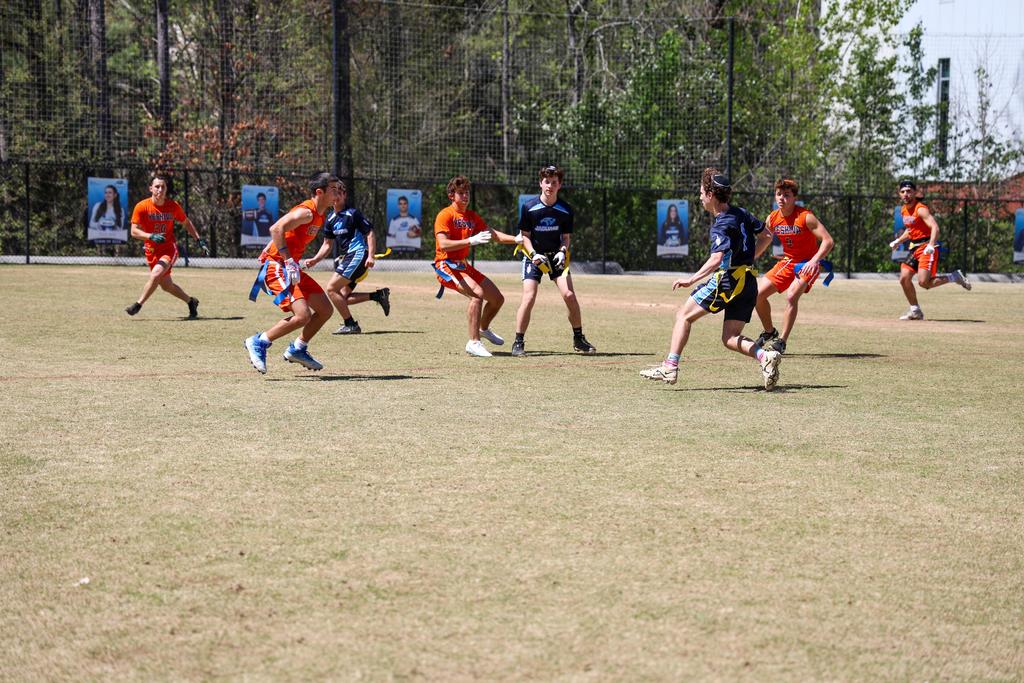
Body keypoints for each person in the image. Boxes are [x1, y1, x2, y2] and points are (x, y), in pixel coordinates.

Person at [640, 168, 783, 390]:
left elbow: (716, 259)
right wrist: (749, 258)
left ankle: (670, 366)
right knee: (730, 337)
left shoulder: (721, 224)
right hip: (748, 281)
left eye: (701, 192)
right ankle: (765, 356)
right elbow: (766, 235)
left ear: (710, 195)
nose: (699, 197)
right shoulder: (741, 213)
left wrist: (691, 279)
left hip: (729, 281)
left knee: (683, 316)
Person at [243, 172, 342, 374]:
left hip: (290, 266)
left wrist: (282, 256)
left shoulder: (320, 215)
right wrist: (287, 260)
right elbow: (276, 229)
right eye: (334, 189)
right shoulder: (307, 212)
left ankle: (298, 349)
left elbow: (284, 231)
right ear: (319, 192)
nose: (338, 193)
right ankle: (259, 342)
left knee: (325, 309)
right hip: (278, 266)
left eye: (339, 189)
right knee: (303, 315)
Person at [511, 165, 597, 357]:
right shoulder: (529, 207)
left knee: (569, 295)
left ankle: (579, 339)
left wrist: (562, 251)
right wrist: (534, 254)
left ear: (560, 185)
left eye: (554, 182)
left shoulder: (565, 210)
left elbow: (566, 238)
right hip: (533, 256)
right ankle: (518, 342)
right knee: (529, 296)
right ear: (540, 183)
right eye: (547, 181)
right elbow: (524, 236)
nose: (550, 185)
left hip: (556, 256)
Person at [434, 175, 520, 357]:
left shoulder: (472, 216)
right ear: (451, 195)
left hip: (463, 265)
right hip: (446, 265)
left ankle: (483, 328)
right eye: (461, 193)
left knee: (497, 299)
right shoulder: (445, 215)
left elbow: (492, 234)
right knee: (477, 294)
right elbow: (443, 244)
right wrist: (470, 241)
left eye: (467, 192)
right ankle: (473, 342)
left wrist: (516, 239)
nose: (465, 196)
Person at [752, 178, 834, 354]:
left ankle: (781, 341)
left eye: (786, 195)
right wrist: (750, 257)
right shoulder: (773, 218)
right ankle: (769, 331)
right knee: (757, 295)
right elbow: (764, 240)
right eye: (779, 194)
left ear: (795, 198)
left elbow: (828, 241)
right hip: (788, 261)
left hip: (809, 262)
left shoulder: (805, 217)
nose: (781, 198)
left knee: (791, 296)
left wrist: (813, 261)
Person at [303, 181, 391, 335]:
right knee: (341, 297)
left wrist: (371, 256)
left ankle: (350, 324)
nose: (336, 196)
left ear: (344, 195)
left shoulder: (352, 213)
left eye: (339, 192)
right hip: (348, 258)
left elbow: (370, 233)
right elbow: (327, 244)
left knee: (331, 289)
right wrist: (315, 259)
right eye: (333, 192)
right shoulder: (330, 219)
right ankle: (378, 295)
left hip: (357, 254)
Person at [125, 174, 209, 318]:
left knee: (156, 274)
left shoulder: (173, 206)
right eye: (157, 186)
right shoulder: (142, 207)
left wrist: (199, 240)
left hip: (169, 249)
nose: (160, 189)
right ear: (151, 188)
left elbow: (186, 223)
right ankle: (191, 301)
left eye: (163, 187)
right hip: (151, 251)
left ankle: (138, 305)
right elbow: (134, 231)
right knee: (166, 286)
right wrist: (150, 236)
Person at [890, 180, 971, 320]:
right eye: (903, 192)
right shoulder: (903, 210)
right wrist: (898, 241)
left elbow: (935, 227)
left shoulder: (920, 209)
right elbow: (911, 230)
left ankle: (954, 277)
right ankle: (915, 311)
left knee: (924, 283)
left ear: (915, 193)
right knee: (904, 278)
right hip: (914, 248)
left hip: (926, 247)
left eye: (909, 191)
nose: (905, 194)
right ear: (899, 194)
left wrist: (931, 245)